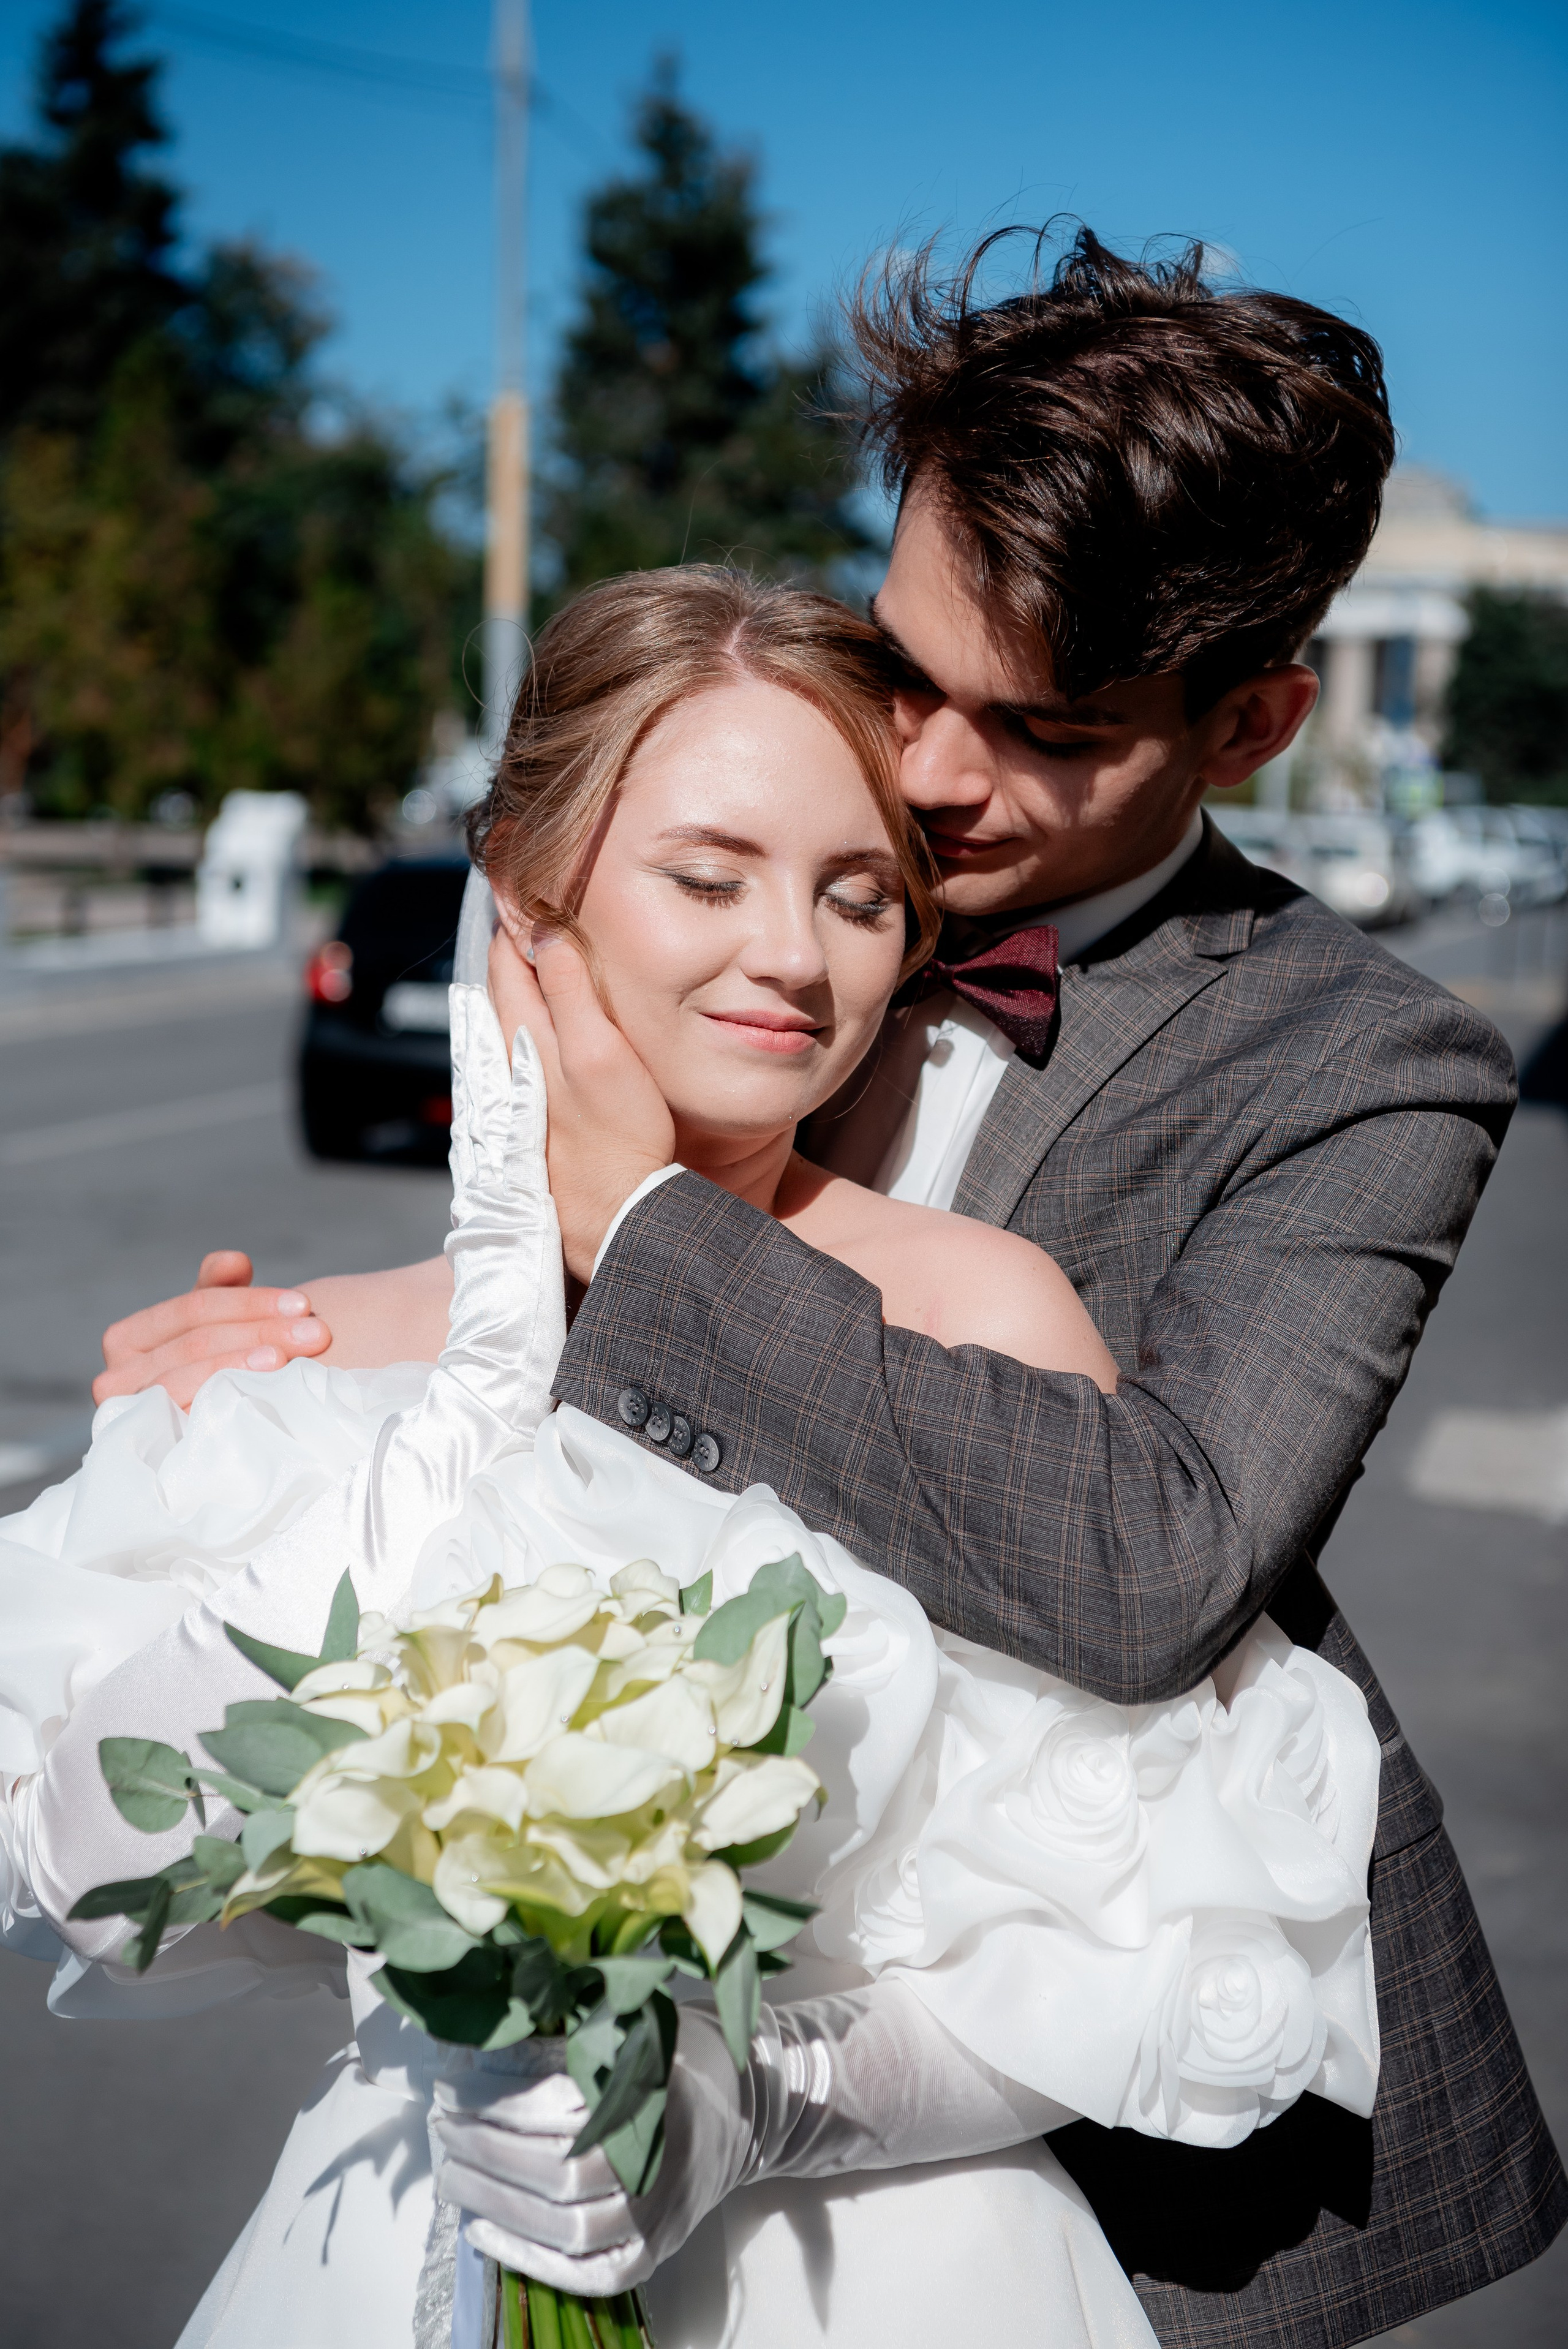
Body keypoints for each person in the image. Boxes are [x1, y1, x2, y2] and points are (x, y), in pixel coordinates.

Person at [92, 230, 1566, 2343]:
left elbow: (1158, 1553)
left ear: (1253, 718)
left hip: (1091, 2061)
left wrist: (648, 1229)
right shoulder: (809, 863)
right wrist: (308, 1336)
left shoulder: (1368, 1059)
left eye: (1043, 726)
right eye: (910, 664)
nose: (933, 778)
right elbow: (576, 1273)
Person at [2, 567, 1385, 2349]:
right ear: (533, 900)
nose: (795, 958)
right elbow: (75, 1866)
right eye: (707, 877)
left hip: (896, 2266)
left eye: (862, 895)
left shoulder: (983, 1308)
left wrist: (761, 2102)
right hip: (403, 2225)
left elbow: (1160, 1925)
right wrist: (485, 1365)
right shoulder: (309, 1342)